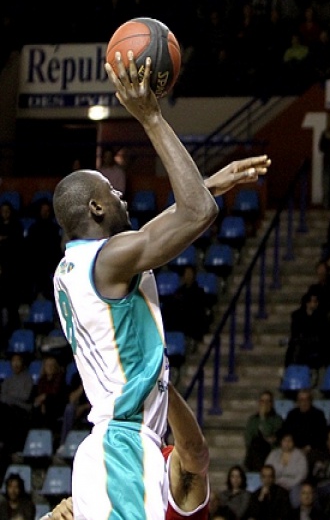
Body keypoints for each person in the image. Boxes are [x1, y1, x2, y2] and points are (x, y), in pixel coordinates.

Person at [52, 52, 270, 520]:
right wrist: (150, 116)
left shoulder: (78, 265)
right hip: (123, 448)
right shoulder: (108, 260)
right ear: (94, 208)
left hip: (120, 447)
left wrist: (205, 182)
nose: (122, 195)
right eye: (112, 193)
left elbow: (161, 229)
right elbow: (196, 214)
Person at [45, 382, 210, 520]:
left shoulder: (172, 466)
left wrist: (163, 387)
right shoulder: (100, 463)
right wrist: (54, 516)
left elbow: (194, 449)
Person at [265, 432, 308, 508]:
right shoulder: (273, 454)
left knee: (295, 495)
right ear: (281, 442)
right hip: (275, 484)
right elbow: (266, 470)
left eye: (289, 441)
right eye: (285, 440)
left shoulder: (300, 455)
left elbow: (302, 475)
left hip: (294, 486)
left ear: (293, 442)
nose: (287, 443)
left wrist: (289, 485)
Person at [243, 390, 283, 472]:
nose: (265, 404)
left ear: (272, 404)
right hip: (255, 452)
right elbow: (248, 439)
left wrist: (263, 418)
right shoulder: (252, 420)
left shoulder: (277, 420)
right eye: (263, 401)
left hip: (271, 452)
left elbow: (270, 436)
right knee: (256, 443)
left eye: (268, 401)